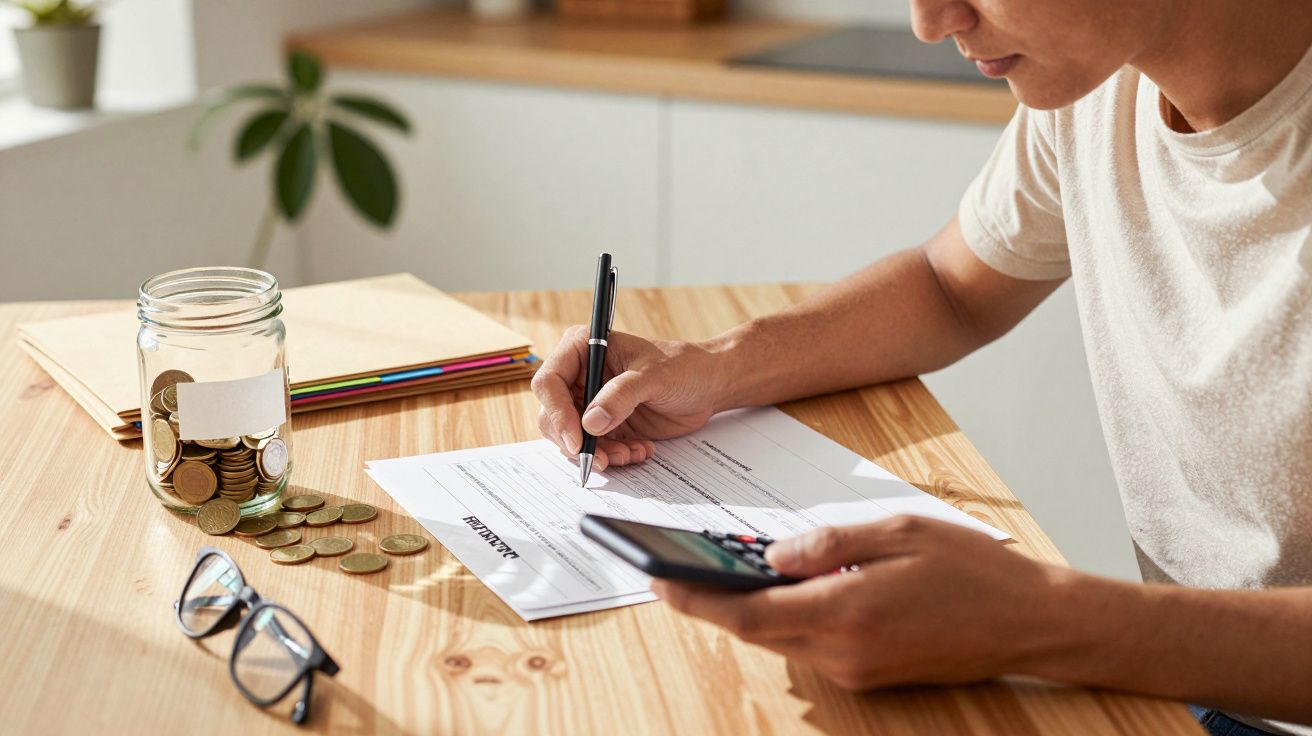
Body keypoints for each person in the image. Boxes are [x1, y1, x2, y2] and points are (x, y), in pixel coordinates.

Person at [531, 0, 1312, 733]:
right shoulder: (1106, 82)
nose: (930, 22)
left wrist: (1040, 622)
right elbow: (952, 289)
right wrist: (708, 364)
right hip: (1183, 689)